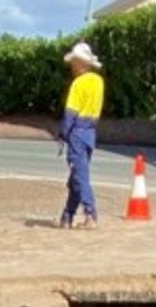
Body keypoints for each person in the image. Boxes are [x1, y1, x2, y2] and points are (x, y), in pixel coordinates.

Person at [57, 42, 105, 229]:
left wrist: (63, 134)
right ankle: (67, 216)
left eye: (73, 62)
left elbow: (71, 113)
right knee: (77, 175)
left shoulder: (78, 84)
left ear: (79, 63)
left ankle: (90, 213)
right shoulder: (98, 82)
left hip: (77, 131)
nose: (71, 66)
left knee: (79, 176)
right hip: (90, 131)